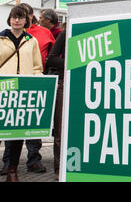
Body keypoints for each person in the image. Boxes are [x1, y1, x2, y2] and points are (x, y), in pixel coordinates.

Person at [1, 3, 54, 174]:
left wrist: (38, 85)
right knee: (5, 127)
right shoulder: (1, 39)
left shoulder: (32, 41)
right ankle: (7, 164)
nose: (17, 20)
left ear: (26, 21)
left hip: (25, 90)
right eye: (14, 17)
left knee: (21, 129)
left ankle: (12, 169)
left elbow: (37, 67)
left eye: (20, 17)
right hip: (5, 88)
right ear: (9, 19)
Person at [46, 29, 66, 180]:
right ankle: (59, 168)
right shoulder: (66, 33)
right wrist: (75, 60)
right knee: (60, 129)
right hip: (64, 84)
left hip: (89, 85)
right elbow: (51, 59)